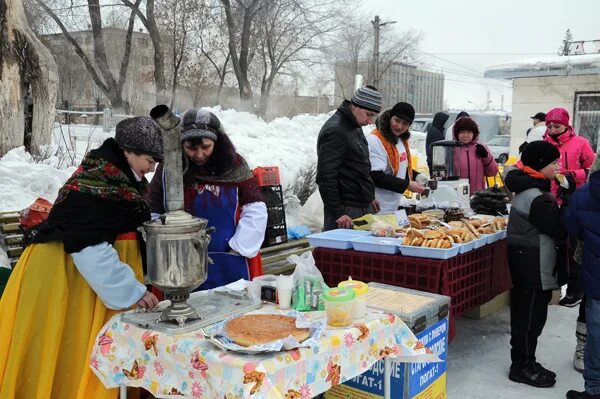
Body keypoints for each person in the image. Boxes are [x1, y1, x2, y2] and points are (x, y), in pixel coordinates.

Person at [0, 117, 164, 398]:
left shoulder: (115, 176)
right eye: (150, 160)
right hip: (61, 277)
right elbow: (89, 245)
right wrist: (131, 291)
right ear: (128, 151)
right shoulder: (99, 183)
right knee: (64, 350)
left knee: (71, 352)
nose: (152, 167)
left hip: (82, 278)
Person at [146, 108, 267, 290]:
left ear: (217, 142)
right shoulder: (169, 168)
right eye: (191, 148)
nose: (199, 154)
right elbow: (153, 209)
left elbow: (255, 208)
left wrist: (237, 249)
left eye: (205, 147)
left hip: (229, 260)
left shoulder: (234, 165)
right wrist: (164, 246)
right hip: (178, 262)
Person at [504, 141, 565, 388]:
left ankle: (527, 360)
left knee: (530, 317)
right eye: (554, 163)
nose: (558, 166)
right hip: (533, 265)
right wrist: (568, 200)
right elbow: (560, 228)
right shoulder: (536, 197)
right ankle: (521, 366)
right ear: (541, 166)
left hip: (529, 262)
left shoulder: (532, 189)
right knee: (529, 319)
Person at [316, 86, 382, 231]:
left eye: (374, 116)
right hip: (346, 212)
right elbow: (326, 176)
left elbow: (359, 167)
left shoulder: (354, 126)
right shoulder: (336, 130)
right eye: (368, 114)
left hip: (360, 206)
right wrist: (338, 213)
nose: (370, 121)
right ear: (355, 106)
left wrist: (369, 197)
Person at [566, 154, 600, 399]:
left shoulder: (584, 194)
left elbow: (572, 228)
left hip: (596, 276)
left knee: (597, 337)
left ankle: (594, 390)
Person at [367, 102, 429, 214]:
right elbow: (375, 176)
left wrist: (416, 176)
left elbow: (400, 166)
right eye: (397, 120)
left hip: (393, 204)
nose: (400, 126)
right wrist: (407, 185)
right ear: (390, 117)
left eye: (405, 123)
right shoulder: (375, 140)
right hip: (377, 206)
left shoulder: (400, 139)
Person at [452, 116, 498, 193]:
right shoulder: (452, 149)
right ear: (457, 134)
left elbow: (492, 172)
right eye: (462, 132)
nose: (465, 135)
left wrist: (486, 157)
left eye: (469, 132)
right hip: (457, 195)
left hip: (478, 197)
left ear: (474, 133)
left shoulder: (482, 148)